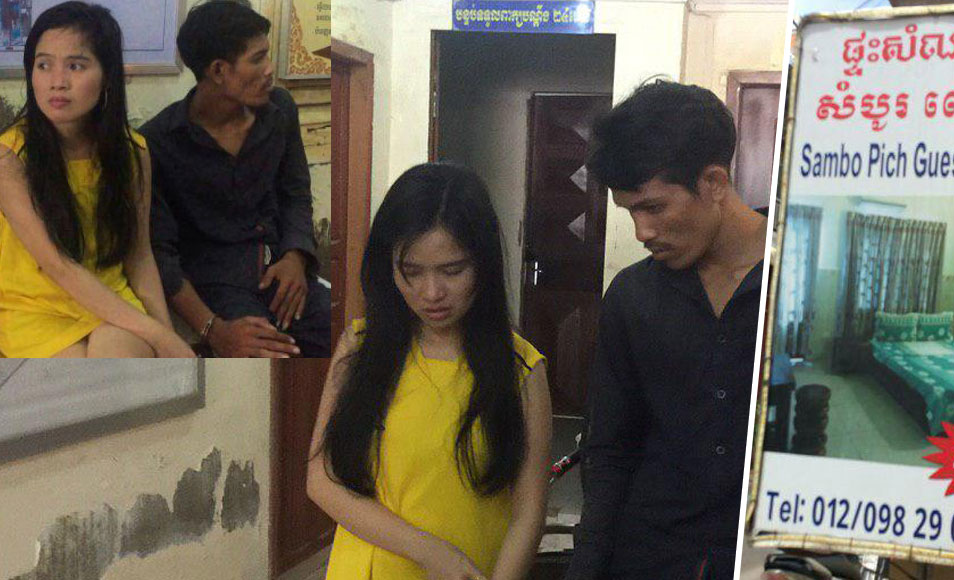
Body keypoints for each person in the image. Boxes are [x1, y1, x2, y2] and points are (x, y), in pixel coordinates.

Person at [563, 80, 769, 579]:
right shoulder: (632, 297)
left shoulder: (806, 286)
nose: (642, 232)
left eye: (654, 207)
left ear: (714, 182)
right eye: (630, 211)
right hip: (650, 556)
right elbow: (610, 451)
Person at [307, 163, 553, 580]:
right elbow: (321, 479)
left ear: (484, 264)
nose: (431, 293)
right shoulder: (360, 348)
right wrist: (428, 551)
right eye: (412, 271)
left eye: (452, 271)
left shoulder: (522, 370)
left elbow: (528, 515)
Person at [0, 1, 194, 358]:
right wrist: (161, 337)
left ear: (107, 76)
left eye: (75, 65)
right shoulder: (9, 156)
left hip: (112, 302)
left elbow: (139, 255)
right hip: (34, 310)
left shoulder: (132, 151)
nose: (57, 82)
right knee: (85, 382)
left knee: (120, 358)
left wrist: (165, 334)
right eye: (44, 65)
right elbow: (57, 265)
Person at [142, 0, 330, 358]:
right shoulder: (158, 142)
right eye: (258, 59)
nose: (270, 69)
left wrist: (296, 256)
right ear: (218, 70)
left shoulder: (280, 111)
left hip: (281, 270)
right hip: (217, 285)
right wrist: (212, 328)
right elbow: (159, 253)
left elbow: (295, 193)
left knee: (344, 340)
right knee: (267, 359)